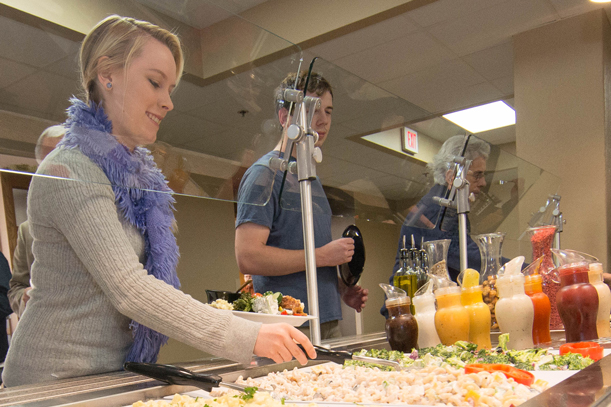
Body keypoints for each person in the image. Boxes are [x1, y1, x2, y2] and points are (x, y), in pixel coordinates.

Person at [2, 15, 315, 387]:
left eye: (170, 89)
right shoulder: (69, 168)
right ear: (107, 74)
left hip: (109, 375)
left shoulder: (134, 179)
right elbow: (130, 289)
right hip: (53, 382)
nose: (167, 102)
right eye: (155, 82)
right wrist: (245, 336)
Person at [235, 72, 368, 340]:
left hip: (328, 320)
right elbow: (247, 256)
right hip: (288, 326)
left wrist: (341, 290)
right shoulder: (265, 174)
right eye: (312, 108)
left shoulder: (311, 180)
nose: (323, 120)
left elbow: (310, 257)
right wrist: (321, 256)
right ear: (285, 118)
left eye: (328, 111)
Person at [388, 135, 491, 295]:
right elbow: (459, 253)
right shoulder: (438, 208)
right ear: (452, 177)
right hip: (415, 308)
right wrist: (515, 267)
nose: (483, 182)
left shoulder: (446, 205)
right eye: (477, 175)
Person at [8, 125, 66, 317]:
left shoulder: (104, 216)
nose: (55, 165)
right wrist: (24, 297)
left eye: (63, 153)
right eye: (48, 158)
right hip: (47, 332)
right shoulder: (27, 230)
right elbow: (15, 288)